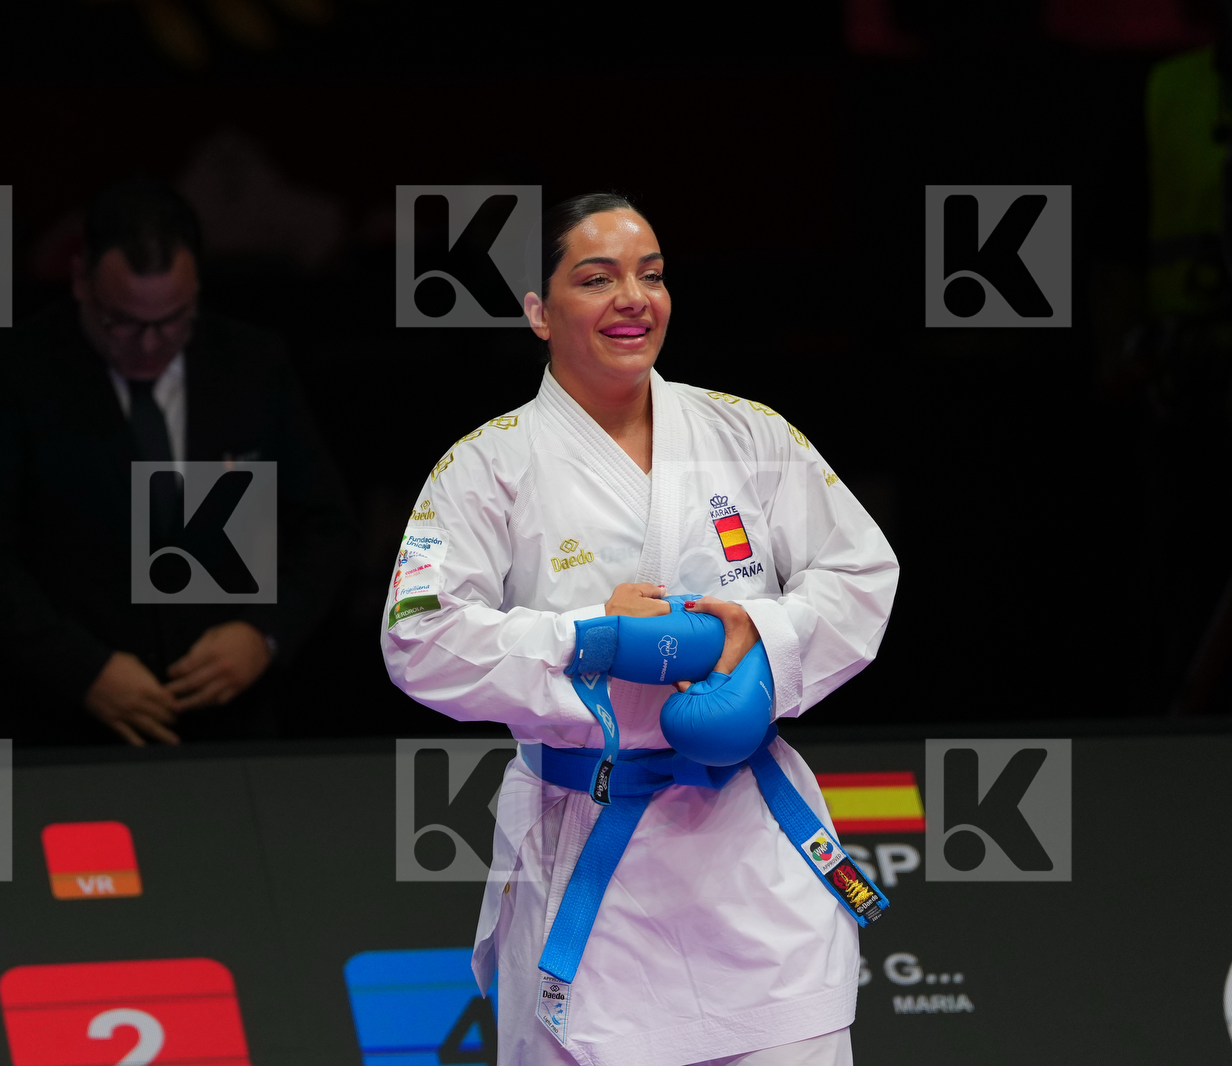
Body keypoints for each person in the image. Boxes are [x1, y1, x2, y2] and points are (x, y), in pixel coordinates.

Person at [381, 193, 898, 1065]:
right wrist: (587, 640)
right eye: (598, 278)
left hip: (747, 849)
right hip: (587, 841)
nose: (634, 297)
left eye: (650, 276)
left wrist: (758, 640)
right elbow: (417, 637)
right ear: (538, 312)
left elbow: (861, 573)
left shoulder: (747, 432)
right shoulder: (485, 465)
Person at [0, 177, 356, 746]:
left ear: (198, 288)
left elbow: (328, 525)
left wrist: (264, 634)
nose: (150, 345)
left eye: (173, 320)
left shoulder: (254, 366)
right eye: (125, 322)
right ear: (81, 282)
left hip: (226, 732)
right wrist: (81, 670)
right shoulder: (11, 373)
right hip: (57, 728)